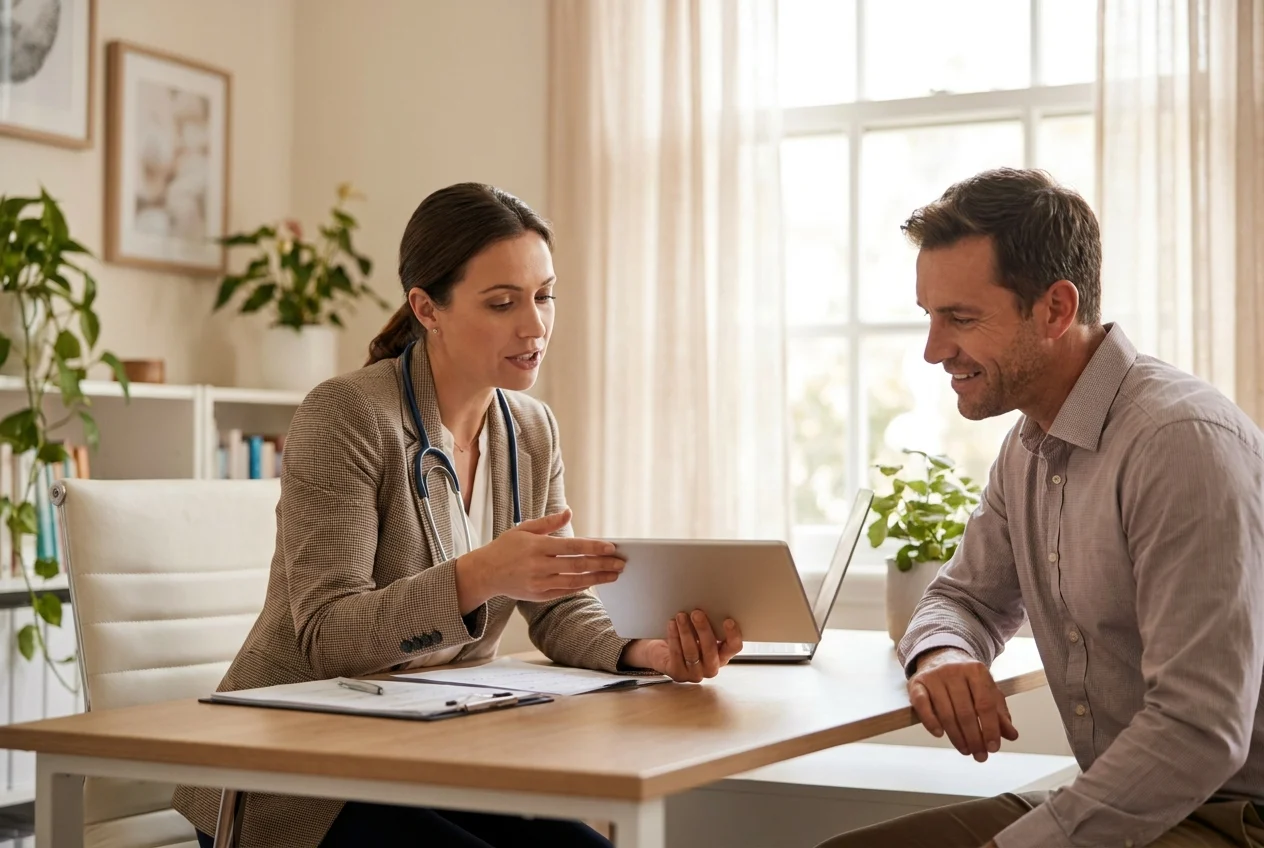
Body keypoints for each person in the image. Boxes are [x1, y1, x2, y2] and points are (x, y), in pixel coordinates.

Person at [173, 183, 744, 848]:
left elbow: (557, 606)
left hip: (433, 759)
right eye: (502, 303)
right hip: (304, 782)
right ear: (427, 308)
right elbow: (329, 637)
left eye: (544, 295)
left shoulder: (530, 430)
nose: (533, 325)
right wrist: (481, 574)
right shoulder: (348, 415)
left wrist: (644, 653)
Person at [818, 168, 1264, 848]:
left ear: (1056, 309)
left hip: (1231, 818)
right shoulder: (1028, 448)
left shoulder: (1179, 445)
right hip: (1126, 805)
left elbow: (1199, 731)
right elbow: (960, 599)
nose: (934, 350)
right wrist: (941, 656)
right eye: (930, 317)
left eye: (960, 319)